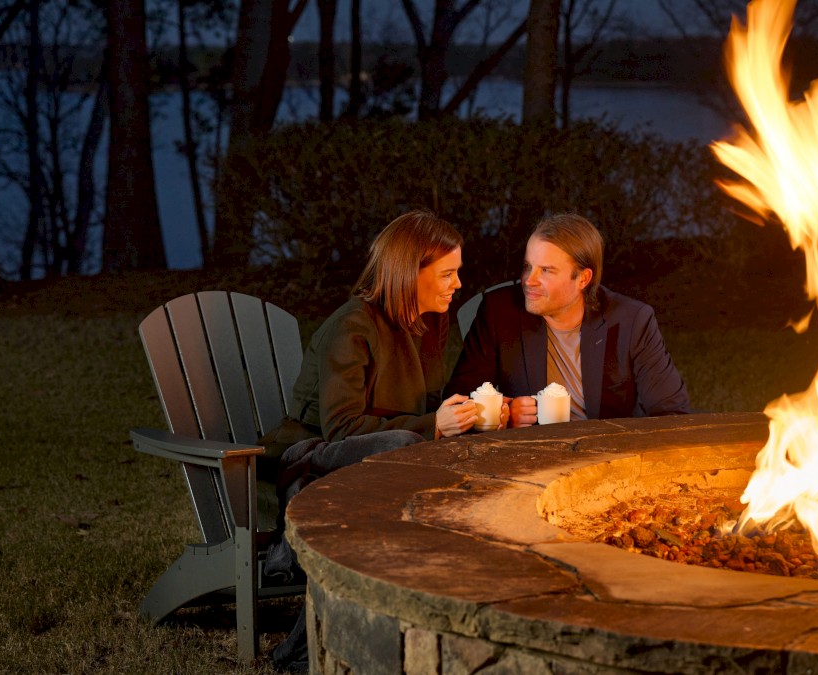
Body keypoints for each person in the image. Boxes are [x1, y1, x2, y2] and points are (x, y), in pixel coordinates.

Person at [265, 210, 504, 670]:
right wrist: (433, 426)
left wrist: (475, 414)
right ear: (407, 273)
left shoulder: (429, 323)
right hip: (317, 457)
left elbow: (427, 403)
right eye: (448, 274)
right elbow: (341, 429)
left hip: (392, 457)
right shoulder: (352, 326)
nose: (458, 284)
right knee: (401, 446)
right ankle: (305, 645)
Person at [447, 213, 690, 426]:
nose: (528, 280)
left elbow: (672, 412)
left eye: (546, 270)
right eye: (527, 266)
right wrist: (502, 412)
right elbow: (457, 400)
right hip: (530, 457)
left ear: (583, 279)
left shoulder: (631, 320)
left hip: (607, 455)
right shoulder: (499, 311)